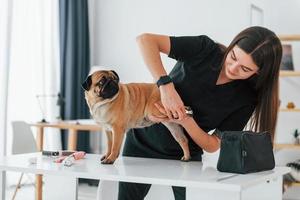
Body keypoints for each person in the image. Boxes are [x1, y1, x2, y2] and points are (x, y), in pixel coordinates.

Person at [117, 26, 282, 200]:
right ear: (232, 45)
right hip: (141, 143)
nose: (233, 68)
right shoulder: (205, 49)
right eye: (233, 57)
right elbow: (145, 40)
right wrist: (166, 86)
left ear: (258, 73)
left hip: (185, 159)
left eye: (245, 69)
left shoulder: (247, 99)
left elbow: (213, 144)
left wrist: (186, 120)